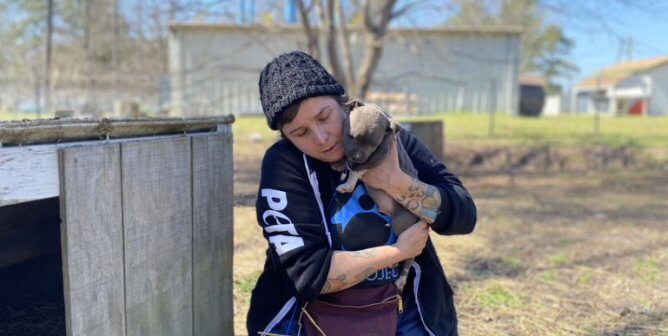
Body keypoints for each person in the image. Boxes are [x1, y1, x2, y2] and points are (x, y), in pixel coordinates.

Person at [247, 51, 477, 336]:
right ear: (286, 137)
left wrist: (395, 181)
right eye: (300, 132)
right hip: (313, 316)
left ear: (344, 103)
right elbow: (308, 276)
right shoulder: (284, 164)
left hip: (405, 308)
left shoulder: (385, 134)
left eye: (324, 117)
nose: (321, 138)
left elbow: (464, 214)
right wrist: (399, 251)